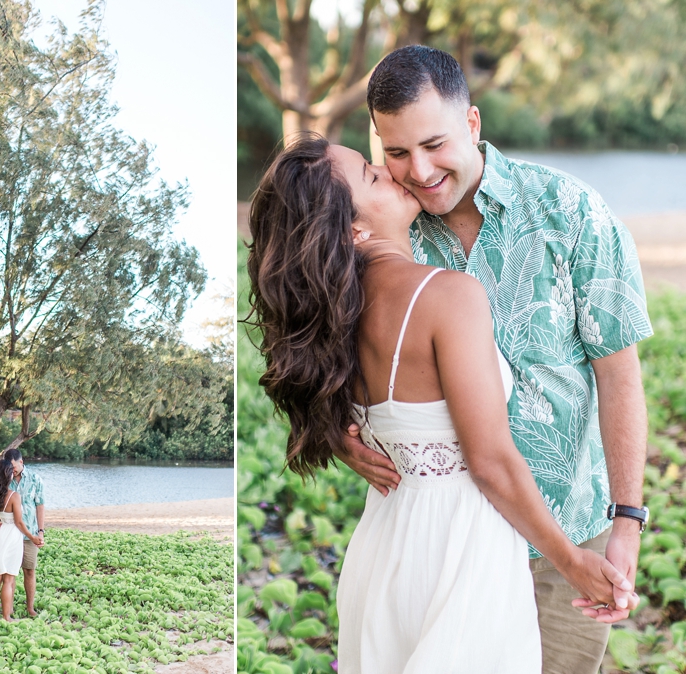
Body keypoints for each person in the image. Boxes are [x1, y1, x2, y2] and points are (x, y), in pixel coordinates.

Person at [246, 134, 636, 673]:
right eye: (373, 171)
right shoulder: (446, 294)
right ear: (354, 229)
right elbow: (490, 463)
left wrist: (339, 430)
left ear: (470, 122)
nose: (394, 172)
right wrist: (571, 561)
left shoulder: (335, 311)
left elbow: (335, 392)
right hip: (462, 549)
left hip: (390, 542)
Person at [334, 45, 653, 673]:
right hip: (446, 548)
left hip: (566, 531)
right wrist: (332, 424)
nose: (419, 171)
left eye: (434, 144)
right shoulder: (383, 230)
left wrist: (627, 520)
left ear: (472, 124)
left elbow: (619, 376)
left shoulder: (573, 214)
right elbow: (320, 337)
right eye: (396, 153)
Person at [0, 449, 45, 618]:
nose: (13, 470)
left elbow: (40, 506)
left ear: (21, 462)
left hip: (27, 533)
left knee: (28, 570)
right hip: (10, 533)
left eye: (14, 467)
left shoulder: (35, 480)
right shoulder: (5, 481)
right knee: (8, 576)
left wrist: (40, 531)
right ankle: (8, 611)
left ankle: (29, 607)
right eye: (9, 468)